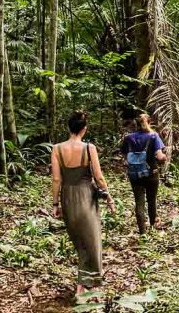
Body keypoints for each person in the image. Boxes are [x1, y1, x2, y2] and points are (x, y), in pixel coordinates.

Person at [51, 112, 116, 298]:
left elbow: (56, 179)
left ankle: (84, 285)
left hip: (68, 198)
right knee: (92, 242)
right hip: (86, 196)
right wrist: (109, 198)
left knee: (81, 244)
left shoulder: (57, 149)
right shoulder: (89, 148)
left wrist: (55, 204)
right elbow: (99, 176)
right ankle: (85, 286)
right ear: (84, 129)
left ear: (69, 128)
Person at [120, 113, 167, 234]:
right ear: (150, 122)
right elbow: (159, 156)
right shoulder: (153, 136)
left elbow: (125, 156)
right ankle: (152, 227)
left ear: (136, 124)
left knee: (139, 202)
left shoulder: (128, 138)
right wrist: (164, 158)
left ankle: (142, 232)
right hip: (151, 173)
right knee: (151, 200)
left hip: (134, 174)